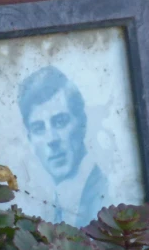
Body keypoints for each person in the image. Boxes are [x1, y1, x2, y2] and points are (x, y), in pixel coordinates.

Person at [17, 66, 109, 226]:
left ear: (82, 122)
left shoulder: (107, 195)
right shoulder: (55, 205)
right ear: (30, 138)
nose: (51, 139)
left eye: (60, 122)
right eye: (39, 128)